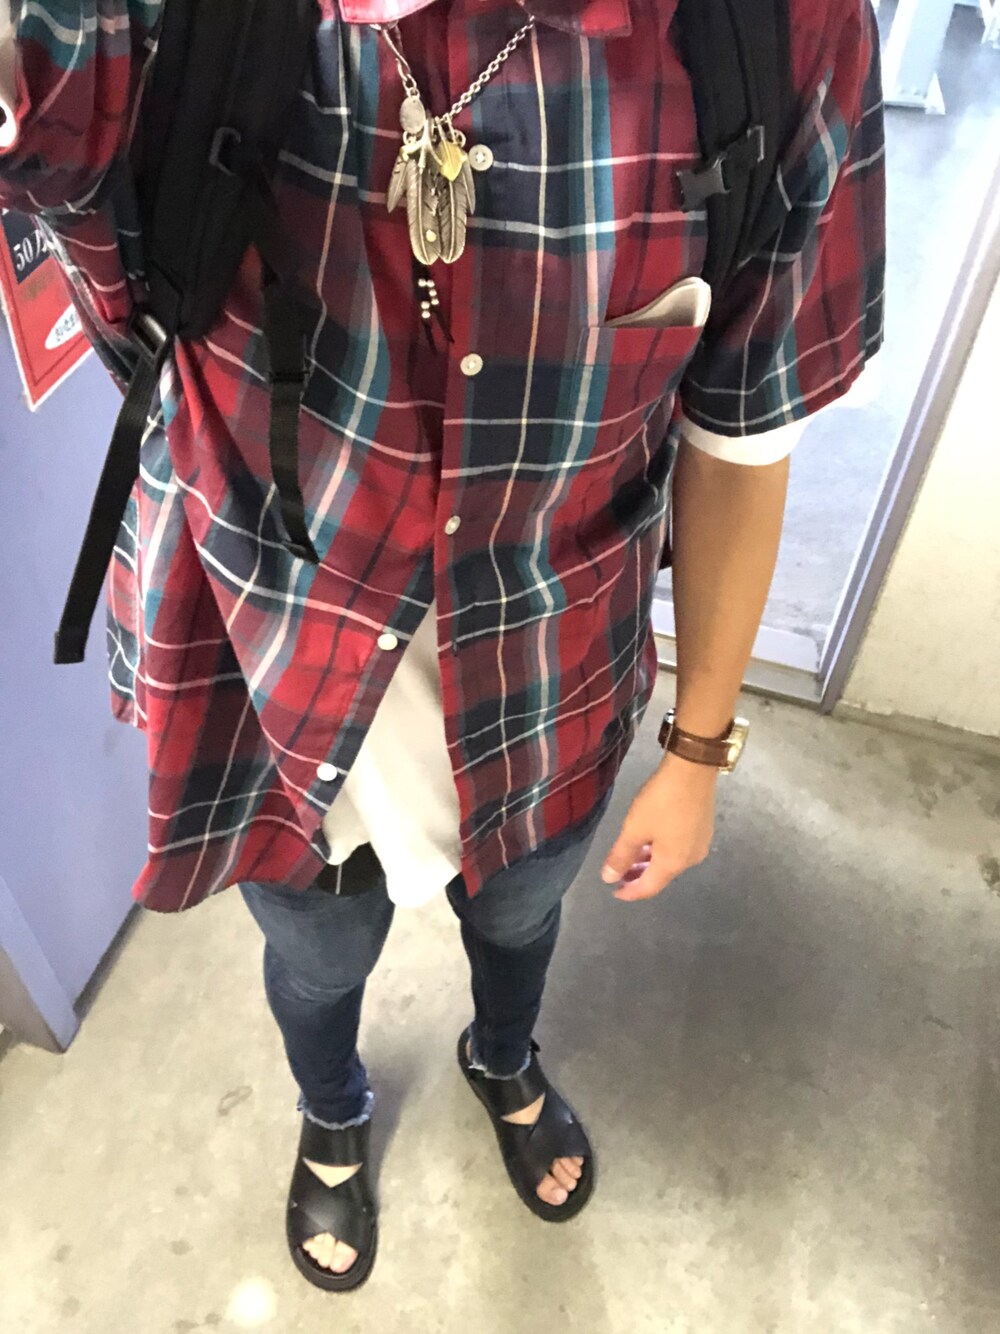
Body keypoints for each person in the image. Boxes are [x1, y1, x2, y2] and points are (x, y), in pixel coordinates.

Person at [0, 0, 884, 1293]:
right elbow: (42, 96)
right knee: (315, 959)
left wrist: (699, 750)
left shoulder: (773, 32)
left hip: (552, 678)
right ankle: (333, 1110)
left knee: (522, 919)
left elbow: (744, 438)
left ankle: (503, 1056)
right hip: (272, 670)